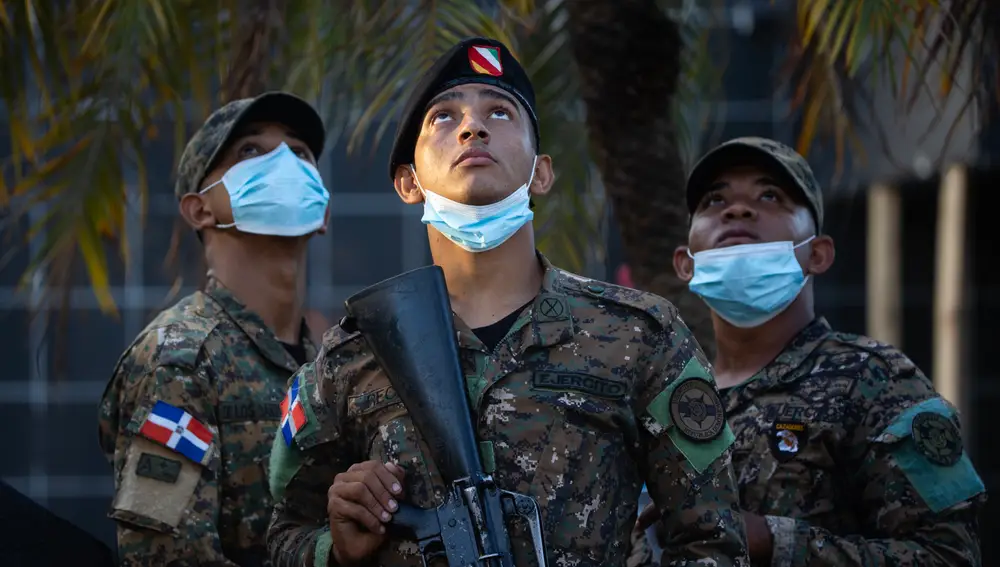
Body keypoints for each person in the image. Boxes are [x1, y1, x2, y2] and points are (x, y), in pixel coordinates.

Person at [266, 37, 750, 567]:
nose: (473, 128)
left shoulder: (639, 335)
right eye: (444, 119)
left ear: (541, 172)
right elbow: (283, 534)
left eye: (500, 112)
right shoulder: (355, 353)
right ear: (408, 182)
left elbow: (712, 542)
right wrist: (333, 550)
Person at [627, 137, 986, 566]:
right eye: (714, 199)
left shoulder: (872, 379)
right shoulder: (664, 399)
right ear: (685, 264)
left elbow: (950, 556)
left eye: (770, 196)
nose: (736, 209)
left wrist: (770, 540)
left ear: (817, 254)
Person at [98, 91, 331, 566]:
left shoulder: (334, 365)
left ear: (323, 210)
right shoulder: (182, 361)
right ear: (199, 209)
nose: (284, 161)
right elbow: (163, 557)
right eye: (250, 150)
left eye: (300, 152)